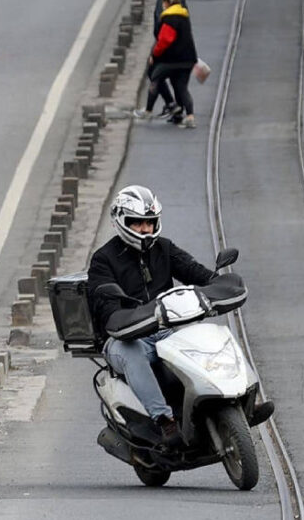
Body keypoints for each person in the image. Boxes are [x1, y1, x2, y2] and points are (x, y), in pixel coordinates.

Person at [87, 186, 216, 445]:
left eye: (150, 222)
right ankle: (164, 420)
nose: (145, 229)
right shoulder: (103, 259)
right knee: (131, 352)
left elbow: (197, 273)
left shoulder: (164, 248)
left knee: (207, 336)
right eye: (137, 223)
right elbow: (106, 310)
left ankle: (230, 399)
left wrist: (220, 283)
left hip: (166, 330)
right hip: (124, 338)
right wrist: (127, 321)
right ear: (121, 221)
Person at [150, 0, 198, 129]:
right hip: (188, 58)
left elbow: (165, 40)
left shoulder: (169, 18)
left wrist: (154, 55)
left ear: (166, 3)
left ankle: (150, 109)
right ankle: (188, 115)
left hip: (173, 59)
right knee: (181, 86)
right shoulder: (184, 15)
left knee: (155, 76)